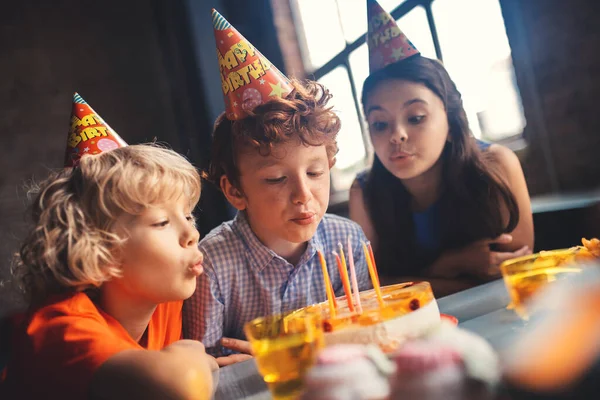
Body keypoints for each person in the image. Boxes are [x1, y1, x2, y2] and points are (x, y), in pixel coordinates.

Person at [182, 10, 372, 361]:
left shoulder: (348, 242)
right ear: (235, 191)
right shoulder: (211, 265)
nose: (304, 195)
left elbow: (369, 333)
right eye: (276, 179)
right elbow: (200, 367)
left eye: (315, 173)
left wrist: (290, 354)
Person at [1, 94, 215, 400]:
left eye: (187, 215)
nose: (191, 233)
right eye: (161, 223)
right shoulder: (61, 327)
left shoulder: (160, 298)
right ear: (99, 253)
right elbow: (180, 386)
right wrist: (194, 353)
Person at [349, 0, 534, 297]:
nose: (397, 135)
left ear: (450, 120)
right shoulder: (365, 192)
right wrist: (449, 265)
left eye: (416, 118)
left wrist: (419, 281)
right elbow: (373, 288)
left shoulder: (496, 163)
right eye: (380, 124)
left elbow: (515, 271)